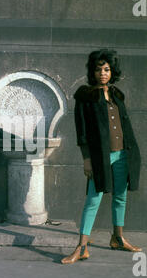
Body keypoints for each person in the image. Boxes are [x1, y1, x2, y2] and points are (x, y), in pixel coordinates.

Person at [61, 49, 142, 264]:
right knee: (93, 200)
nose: (103, 73)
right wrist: (86, 159)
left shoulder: (116, 94)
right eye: (98, 69)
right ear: (93, 72)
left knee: (120, 197)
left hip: (124, 154)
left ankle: (117, 237)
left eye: (106, 69)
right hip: (100, 158)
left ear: (112, 71)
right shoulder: (85, 96)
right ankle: (82, 246)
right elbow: (82, 132)